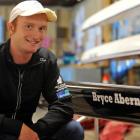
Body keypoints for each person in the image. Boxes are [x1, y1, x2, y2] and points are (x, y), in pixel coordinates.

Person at [0, 0, 84, 140]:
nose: (36, 35)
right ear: (11, 28)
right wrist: (17, 129)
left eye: (42, 28)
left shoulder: (46, 60)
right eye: (28, 26)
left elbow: (64, 103)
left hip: (30, 131)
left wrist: (37, 131)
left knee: (73, 129)